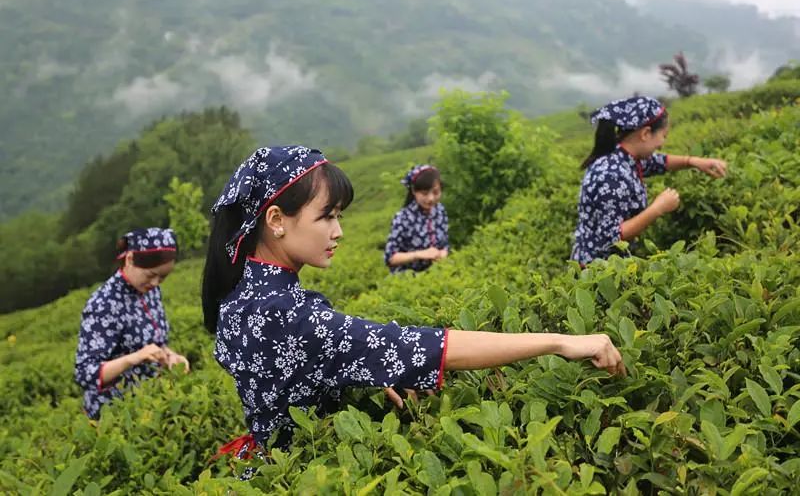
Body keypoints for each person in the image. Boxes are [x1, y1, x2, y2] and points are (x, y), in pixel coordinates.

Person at [202, 146, 625, 457]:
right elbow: (427, 346)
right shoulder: (283, 313)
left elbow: (296, 367)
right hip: (297, 471)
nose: (338, 232)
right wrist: (560, 342)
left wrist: (353, 368)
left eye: (339, 217)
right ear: (276, 220)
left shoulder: (245, 295)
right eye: (326, 216)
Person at [571, 96, 728, 265]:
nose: (662, 143)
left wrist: (693, 161)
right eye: (663, 136)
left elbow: (658, 162)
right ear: (645, 133)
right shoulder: (612, 176)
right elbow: (612, 237)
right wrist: (657, 208)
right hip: (597, 270)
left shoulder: (624, 156)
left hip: (614, 264)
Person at [74, 227, 189, 419]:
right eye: (150, 275)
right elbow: (85, 374)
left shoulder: (150, 290)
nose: (155, 283)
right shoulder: (104, 304)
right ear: (129, 260)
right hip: (113, 415)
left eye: (162, 277)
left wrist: (169, 355)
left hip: (149, 405)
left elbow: (153, 342)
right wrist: (133, 358)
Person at [384, 164, 449, 273]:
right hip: (409, 278)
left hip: (437, 273)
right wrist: (419, 254)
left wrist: (443, 253)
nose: (431, 198)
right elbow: (390, 258)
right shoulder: (402, 218)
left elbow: (445, 244)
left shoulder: (440, 211)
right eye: (424, 193)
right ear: (414, 191)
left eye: (436, 192)